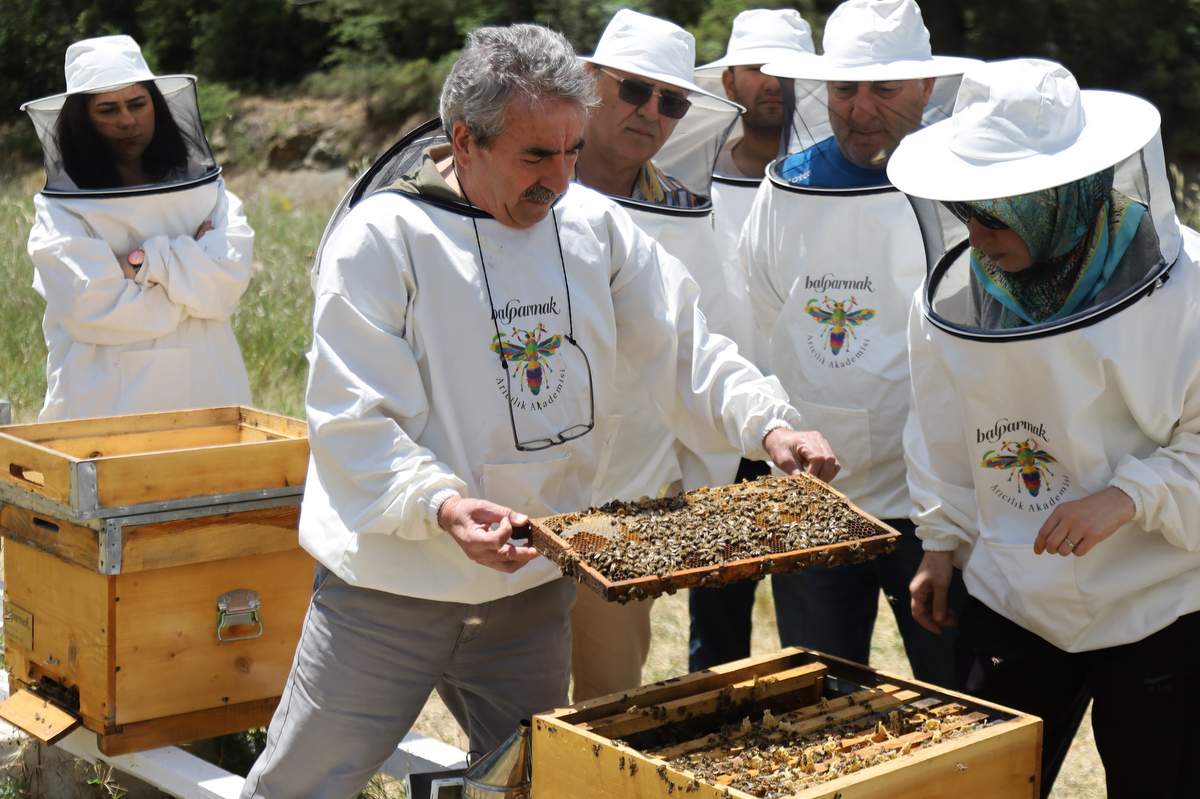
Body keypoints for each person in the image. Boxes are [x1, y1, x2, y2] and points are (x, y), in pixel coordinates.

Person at [241, 24, 839, 798]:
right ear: (465, 140)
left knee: (532, 785)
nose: (559, 179)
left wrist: (769, 423)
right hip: (392, 585)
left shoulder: (594, 227)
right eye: (535, 156)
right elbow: (353, 416)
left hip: (528, 584)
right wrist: (442, 502)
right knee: (302, 785)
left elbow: (685, 345)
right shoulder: (382, 240)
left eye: (570, 151)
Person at [892, 57, 1200, 799]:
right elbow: (939, 429)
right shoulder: (957, 297)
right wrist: (940, 542)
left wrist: (1128, 496)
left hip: (1159, 601)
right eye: (965, 210)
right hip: (1013, 595)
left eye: (996, 214)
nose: (976, 234)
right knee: (979, 788)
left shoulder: (1187, 289)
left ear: (1056, 197)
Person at [734, 0, 978, 684]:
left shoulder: (964, 186)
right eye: (845, 88)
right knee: (821, 698)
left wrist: (950, 517)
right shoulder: (785, 188)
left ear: (927, 87)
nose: (860, 107)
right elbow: (763, 325)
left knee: (957, 702)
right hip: (819, 501)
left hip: (936, 509)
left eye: (884, 88)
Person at [569, 9, 746, 701]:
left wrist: (695, 499)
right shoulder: (520, 185)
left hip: (628, 501)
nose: (650, 113)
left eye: (670, 102)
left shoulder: (689, 215)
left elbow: (714, 349)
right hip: (513, 496)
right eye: (633, 90)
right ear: (588, 83)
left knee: (609, 701)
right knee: (509, 700)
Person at [22, 35, 253, 421]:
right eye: (108, 109)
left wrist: (137, 264)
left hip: (209, 395)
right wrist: (188, 291)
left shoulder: (207, 190)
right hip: (103, 408)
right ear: (83, 120)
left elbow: (226, 283)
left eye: (137, 104)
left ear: (156, 106)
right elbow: (91, 309)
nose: (126, 120)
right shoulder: (60, 209)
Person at [687, 7, 818, 674]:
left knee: (818, 613)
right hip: (722, 424)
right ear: (730, 81)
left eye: (785, 69)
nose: (772, 82)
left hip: (810, 426)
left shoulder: (829, 180)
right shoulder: (691, 175)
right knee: (718, 619)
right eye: (756, 68)